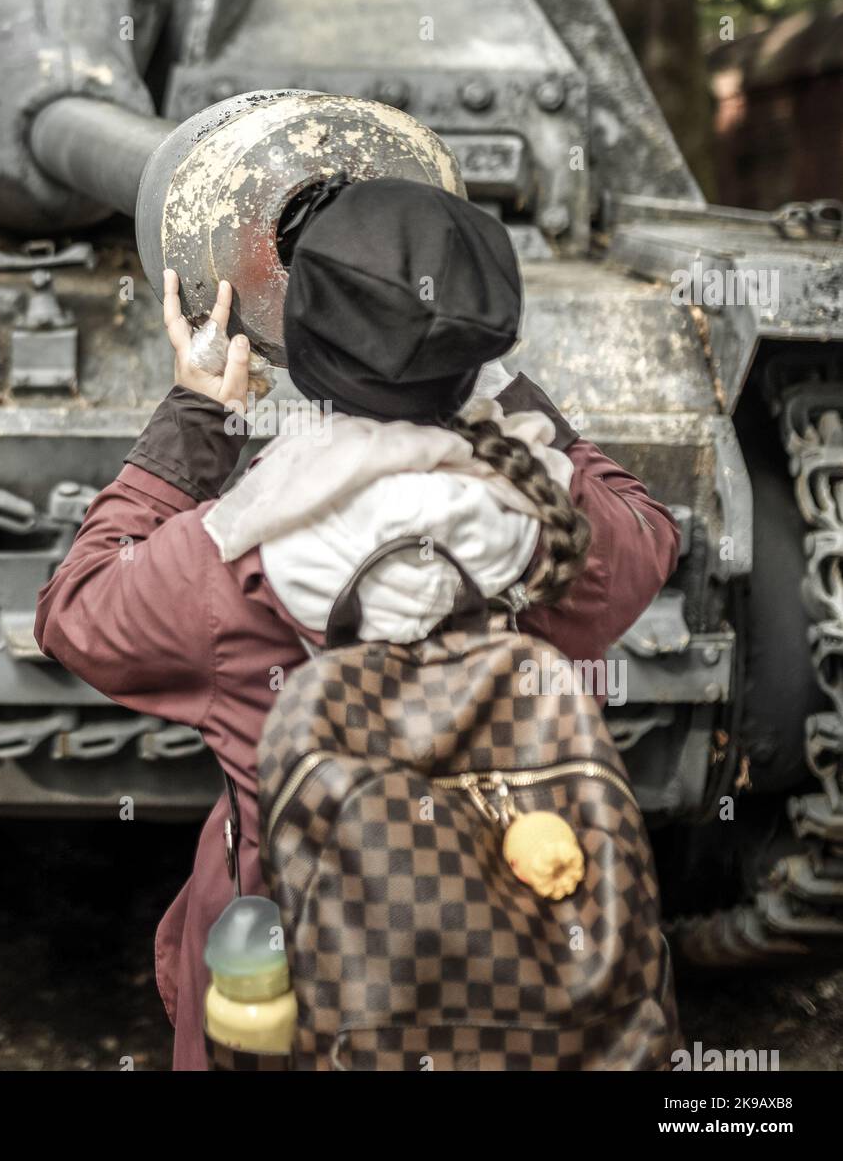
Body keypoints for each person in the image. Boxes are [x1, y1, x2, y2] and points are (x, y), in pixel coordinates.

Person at [35, 178, 681, 1071]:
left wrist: (198, 417)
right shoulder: (562, 532)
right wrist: (495, 382)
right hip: (516, 968)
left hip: (295, 978)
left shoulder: (230, 561)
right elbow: (645, 528)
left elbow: (74, 613)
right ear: (487, 339)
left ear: (300, 340)